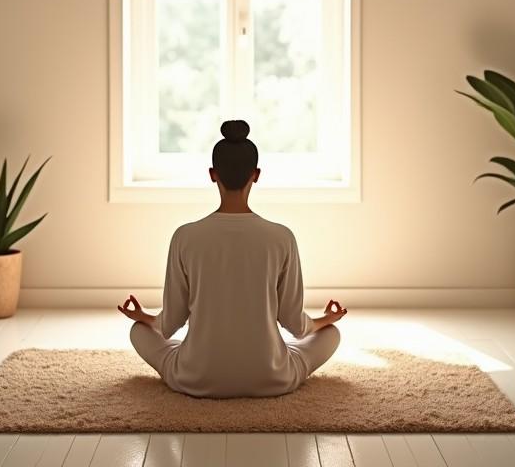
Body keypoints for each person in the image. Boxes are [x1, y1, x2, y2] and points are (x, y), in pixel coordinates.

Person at [117, 120, 347, 398]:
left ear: (213, 174)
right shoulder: (282, 237)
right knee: (331, 335)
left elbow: (168, 326)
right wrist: (327, 319)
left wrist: (142, 317)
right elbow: (297, 327)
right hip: (273, 377)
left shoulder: (185, 237)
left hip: (194, 378)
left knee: (137, 332)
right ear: (257, 174)